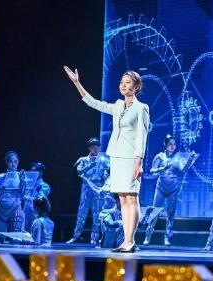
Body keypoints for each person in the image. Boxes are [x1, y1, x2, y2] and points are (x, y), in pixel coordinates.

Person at [64, 65, 149, 253]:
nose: (123, 85)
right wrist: (77, 83)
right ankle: (125, 241)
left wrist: (139, 161)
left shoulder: (141, 108)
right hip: (116, 157)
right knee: (122, 199)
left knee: (132, 197)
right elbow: (92, 102)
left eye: (128, 82)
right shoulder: (118, 106)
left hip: (131, 157)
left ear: (136, 87)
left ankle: (130, 240)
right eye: (122, 82)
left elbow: (142, 137)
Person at [144, 135, 199, 246]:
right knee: (155, 211)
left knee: (170, 213)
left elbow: (183, 169)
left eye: (174, 144)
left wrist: (190, 159)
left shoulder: (178, 157)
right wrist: (162, 169)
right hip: (161, 187)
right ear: (165, 144)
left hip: (173, 188)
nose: (172, 146)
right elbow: (152, 171)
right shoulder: (160, 156)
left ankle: (167, 237)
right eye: (170, 144)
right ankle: (148, 236)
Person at [67, 137, 110, 245]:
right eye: (93, 146)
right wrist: (90, 166)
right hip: (86, 188)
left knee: (97, 214)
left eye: (97, 146)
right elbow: (79, 172)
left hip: (98, 187)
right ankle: (76, 236)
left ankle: (94, 238)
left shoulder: (103, 160)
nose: (95, 148)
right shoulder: (83, 160)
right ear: (89, 148)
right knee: (82, 212)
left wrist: (105, 185)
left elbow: (106, 175)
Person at [0, 150, 25, 242]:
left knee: (16, 239)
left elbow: (23, 195)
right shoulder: (0, 177)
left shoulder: (21, 177)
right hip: (2, 209)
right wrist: (0, 190)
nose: (13, 164)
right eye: (11, 161)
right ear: (7, 162)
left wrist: (22, 182)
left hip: (15, 208)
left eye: (15, 161)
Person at [22, 162, 51, 230]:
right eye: (31, 172)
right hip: (26, 213)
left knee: (35, 233)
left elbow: (40, 199)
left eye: (34, 172)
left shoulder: (44, 186)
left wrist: (26, 197)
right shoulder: (28, 184)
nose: (32, 174)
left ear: (40, 173)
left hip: (36, 214)